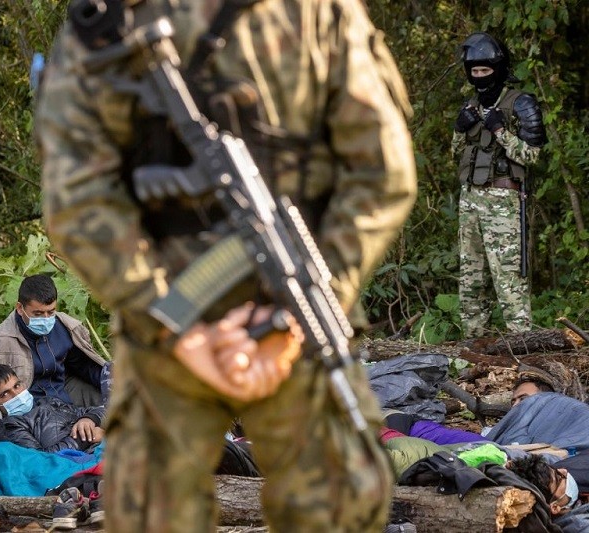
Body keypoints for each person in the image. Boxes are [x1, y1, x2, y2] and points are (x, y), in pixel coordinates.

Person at [35, 0, 417, 530]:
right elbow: (78, 196)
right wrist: (177, 322)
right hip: (169, 331)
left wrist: (300, 311)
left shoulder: (319, 13)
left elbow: (379, 172)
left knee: (343, 493)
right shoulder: (110, 21)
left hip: (292, 318)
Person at [453, 32, 547, 338]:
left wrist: (501, 132)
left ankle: (522, 346)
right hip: (469, 198)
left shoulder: (520, 103)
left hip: (503, 198)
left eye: (485, 71)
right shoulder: (469, 106)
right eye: (475, 72)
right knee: (470, 276)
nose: (480, 77)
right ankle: (474, 346)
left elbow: (532, 155)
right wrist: (459, 129)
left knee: (508, 278)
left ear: (498, 68)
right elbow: (454, 154)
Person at [0, 274, 110, 407]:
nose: (46, 318)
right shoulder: (0, 341)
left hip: (64, 392)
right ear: (20, 308)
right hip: (31, 407)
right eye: (38, 314)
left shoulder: (66, 326)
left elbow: (84, 365)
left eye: (51, 312)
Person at [0, 364, 104, 452]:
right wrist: (85, 438)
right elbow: (41, 459)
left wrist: (89, 419)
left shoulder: (49, 402)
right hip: (81, 464)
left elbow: (98, 410)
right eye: (4, 394)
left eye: (16, 386)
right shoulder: (10, 427)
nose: (16, 395)